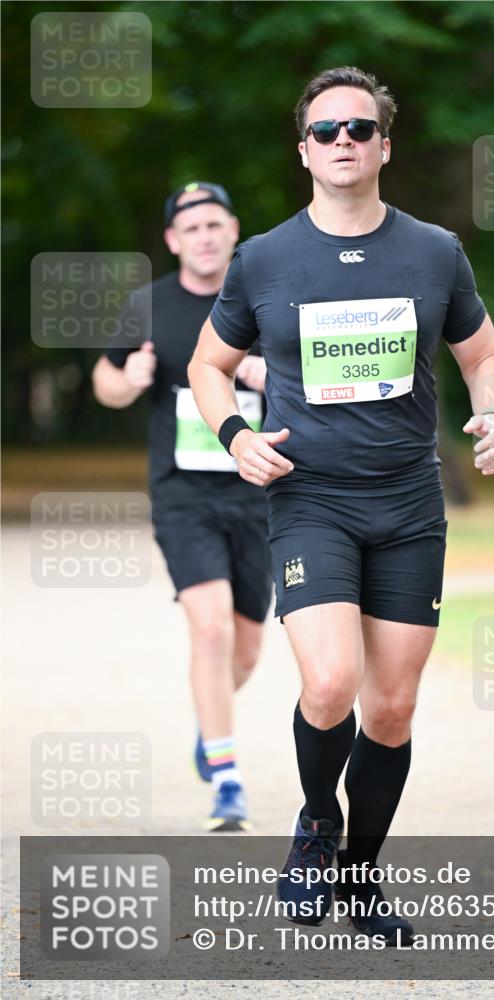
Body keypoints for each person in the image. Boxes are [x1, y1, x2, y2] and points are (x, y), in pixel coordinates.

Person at [188, 67, 494, 944]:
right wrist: (234, 435)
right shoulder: (261, 257)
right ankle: (313, 827)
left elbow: (484, 356)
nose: (343, 140)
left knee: (393, 707)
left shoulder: (434, 251)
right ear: (303, 149)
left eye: (359, 129)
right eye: (326, 129)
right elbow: (207, 367)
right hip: (310, 499)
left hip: (408, 502)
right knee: (329, 683)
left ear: (383, 146)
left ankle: (362, 878)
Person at [92, 182, 272, 832]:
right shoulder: (150, 305)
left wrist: (267, 377)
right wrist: (127, 379)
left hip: (258, 493)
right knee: (210, 628)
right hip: (182, 494)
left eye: (213, 224)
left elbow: (310, 383)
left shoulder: (264, 298)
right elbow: (105, 381)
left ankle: (209, 724)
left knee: (247, 651)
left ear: (233, 231)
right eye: (189, 227)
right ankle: (227, 779)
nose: (202, 235)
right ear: (173, 240)